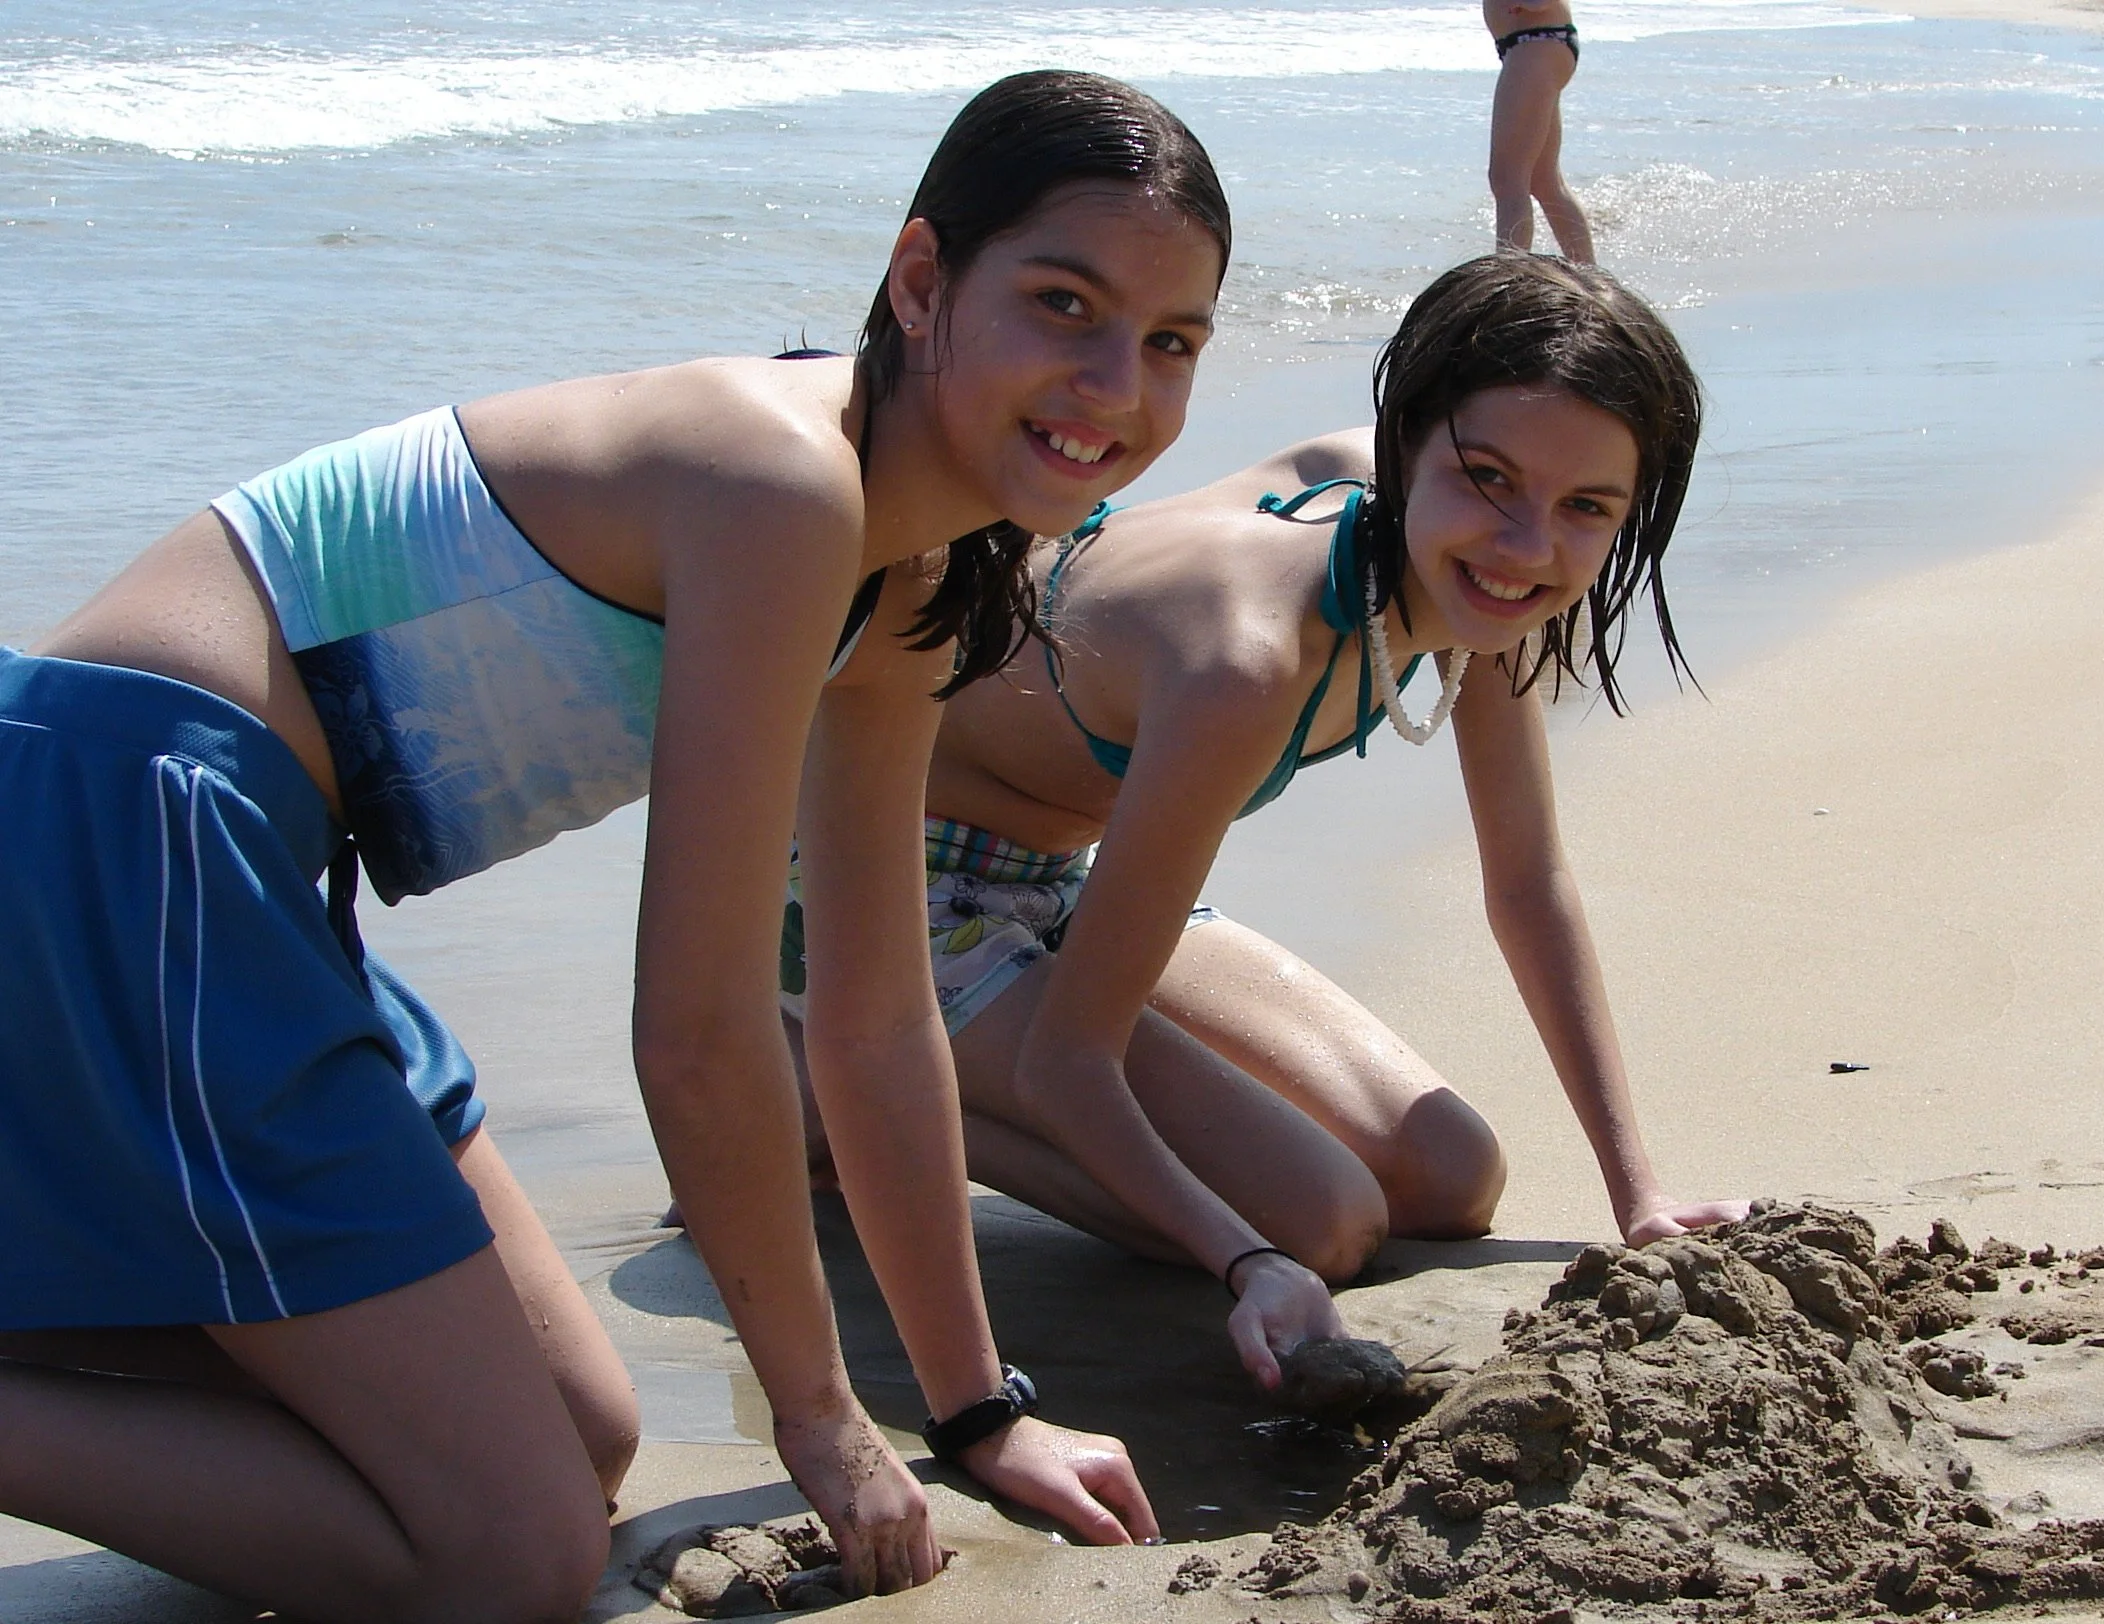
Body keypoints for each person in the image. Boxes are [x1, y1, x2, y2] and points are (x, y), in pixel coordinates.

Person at [0, 70, 1230, 1621]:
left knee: (580, 1435)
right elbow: (701, 1030)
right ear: (921, 280)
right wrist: (820, 1419)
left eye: (1170, 341)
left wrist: (977, 1412)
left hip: (228, 860)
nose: (1114, 384)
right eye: (1064, 305)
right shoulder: (780, 484)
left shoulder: (912, 566)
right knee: (504, 1556)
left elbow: (870, 1014)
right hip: (130, 819)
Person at [778, 253, 1746, 1390]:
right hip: (879, 886)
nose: (1527, 542)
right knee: (1321, 1221)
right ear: (1406, 441)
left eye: (1586, 508)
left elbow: (1527, 882)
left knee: (1448, 1173)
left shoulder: (1481, 575)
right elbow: (1068, 1060)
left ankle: (893, 1078)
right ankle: (824, 1087)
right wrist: (1247, 1259)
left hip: (1069, 872)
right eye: (1488, 479)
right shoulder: (1249, 654)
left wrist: (1637, 1194)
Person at [1484, 0, 1594, 262]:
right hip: (1536, 44)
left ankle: (1510, 275)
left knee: (1507, 180)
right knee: (1545, 182)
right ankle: (1590, 273)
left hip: (1535, 44)